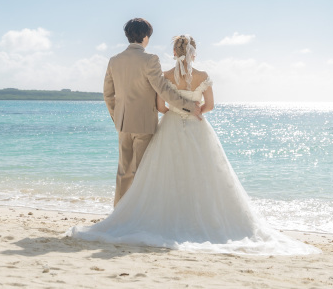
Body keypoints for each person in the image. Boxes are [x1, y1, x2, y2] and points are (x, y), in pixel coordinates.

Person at [68, 35, 320, 255]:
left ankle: (127, 214)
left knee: (154, 174)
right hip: (198, 127)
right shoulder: (203, 76)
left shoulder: (164, 74)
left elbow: (160, 106)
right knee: (202, 174)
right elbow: (209, 106)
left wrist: (173, 111)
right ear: (194, 53)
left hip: (166, 125)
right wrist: (194, 110)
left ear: (174, 52)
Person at [102, 18, 202, 206]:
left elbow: (108, 94)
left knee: (123, 172)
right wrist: (188, 105)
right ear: (146, 37)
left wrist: (117, 117)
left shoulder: (114, 60)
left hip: (123, 124)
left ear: (128, 35)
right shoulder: (150, 60)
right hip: (144, 124)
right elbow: (163, 90)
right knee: (142, 171)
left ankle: (119, 212)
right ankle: (138, 212)